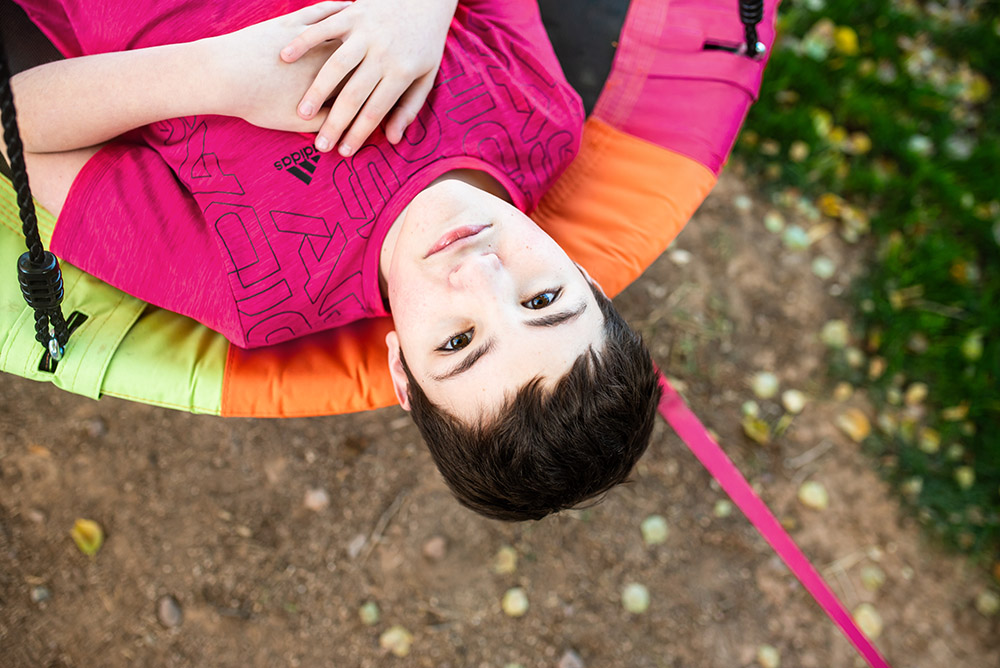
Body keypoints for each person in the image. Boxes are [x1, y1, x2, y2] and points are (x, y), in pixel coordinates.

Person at [3, 0, 661, 521]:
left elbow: (14, 131)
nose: (480, 273)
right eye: (542, 301)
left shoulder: (257, 288)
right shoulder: (539, 120)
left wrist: (220, 75)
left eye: (459, 341)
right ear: (585, 276)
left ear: (401, 369)